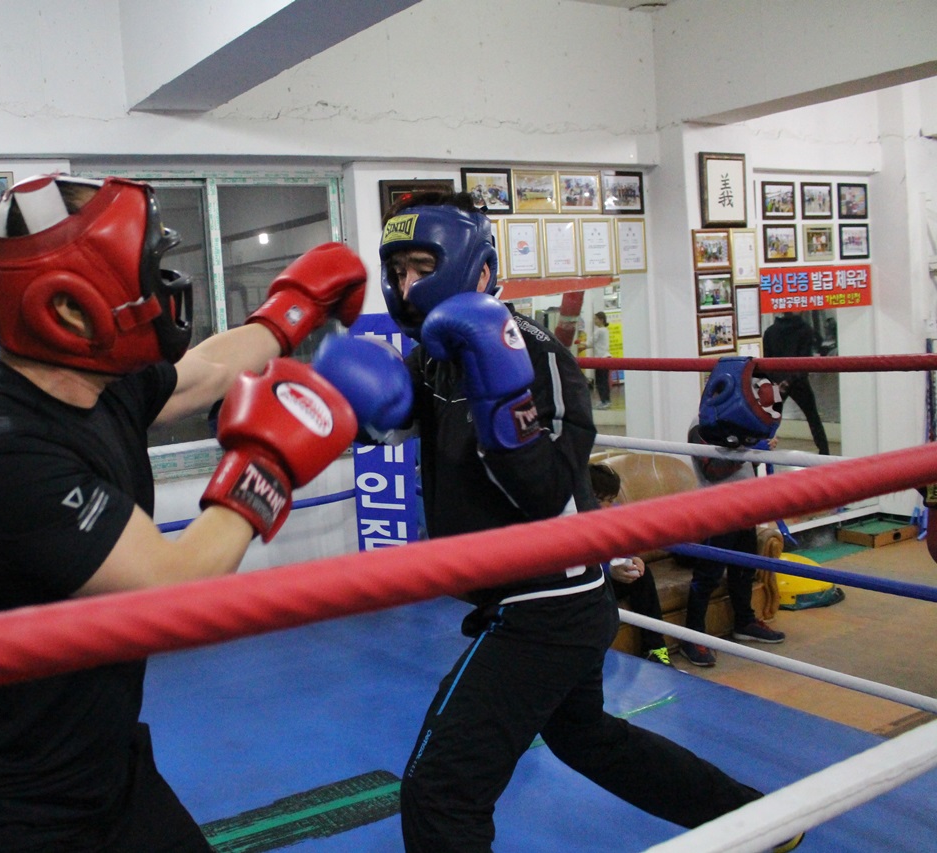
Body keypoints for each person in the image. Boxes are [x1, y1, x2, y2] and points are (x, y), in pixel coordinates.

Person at [312, 191, 801, 853]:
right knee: (588, 738)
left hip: (548, 603)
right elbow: (384, 424)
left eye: (420, 266)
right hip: (521, 596)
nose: (407, 286)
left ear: (475, 269)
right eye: (397, 271)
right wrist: (340, 386)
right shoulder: (432, 358)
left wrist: (500, 409)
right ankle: (756, 821)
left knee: (441, 786)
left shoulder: (538, 355)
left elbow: (544, 490)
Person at [0, 173, 366, 852]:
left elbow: (210, 370)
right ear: (69, 307)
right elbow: (175, 585)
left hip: (104, 768)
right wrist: (265, 468)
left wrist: (295, 309)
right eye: (143, 272)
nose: (160, 290)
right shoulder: (3, 453)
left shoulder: (100, 388)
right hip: (7, 806)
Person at [681, 358, 789, 667]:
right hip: (716, 511)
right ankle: (693, 638)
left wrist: (759, 444)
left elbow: (746, 463)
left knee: (745, 568)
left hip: (744, 506)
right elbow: (712, 470)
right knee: (708, 576)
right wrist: (747, 448)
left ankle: (744, 622)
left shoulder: (744, 423)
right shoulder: (700, 426)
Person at [589, 462, 671, 666]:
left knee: (643, 575)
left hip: (606, 580)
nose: (606, 507)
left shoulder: (613, 514)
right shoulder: (572, 518)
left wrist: (633, 560)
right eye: (600, 500)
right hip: (588, 584)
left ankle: (656, 648)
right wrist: (609, 571)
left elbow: (624, 547)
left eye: (610, 500)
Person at [762, 312, 830, 455]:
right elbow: (805, 360)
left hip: (778, 382)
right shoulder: (805, 330)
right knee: (813, 418)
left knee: (768, 419)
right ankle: (825, 453)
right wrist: (791, 379)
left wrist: (775, 381)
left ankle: (762, 450)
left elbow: (766, 362)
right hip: (798, 381)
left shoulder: (770, 332)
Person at [579, 311, 612, 409]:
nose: (594, 320)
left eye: (596, 318)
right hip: (605, 357)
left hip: (601, 359)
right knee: (604, 381)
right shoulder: (605, 330)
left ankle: (605, 401)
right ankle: (605, 400)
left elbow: (590, 343)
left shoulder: (599, 331)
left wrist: (579, 343)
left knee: (601, 382)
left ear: (601, 320)